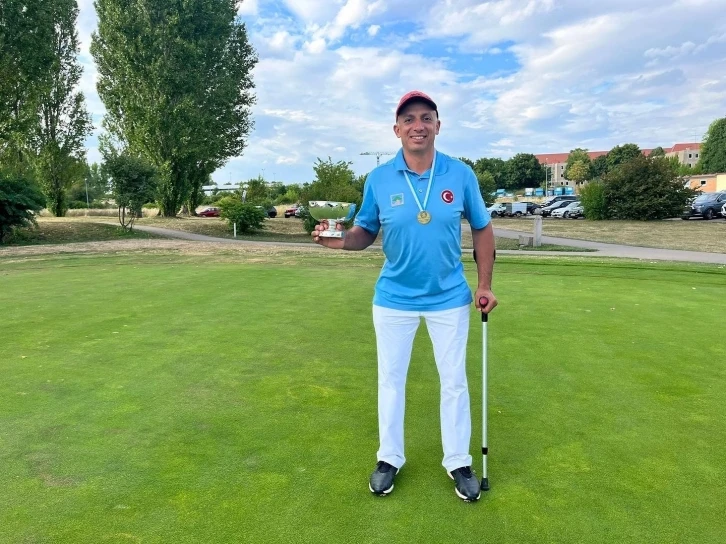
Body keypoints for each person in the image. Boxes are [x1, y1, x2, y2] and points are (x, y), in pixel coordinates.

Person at [312, 90, 497, 502]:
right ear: (396, 129)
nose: (418, 126)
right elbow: (365, 231)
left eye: (426, 118)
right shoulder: (379, 179)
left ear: (438, 126)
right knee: (391, 381)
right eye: (409, 119)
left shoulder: (460, 173)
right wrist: (339, 240)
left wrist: (484, 285)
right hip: (394, 298)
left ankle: (458, 461)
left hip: (449, 297)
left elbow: (482, 228)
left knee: (454, 382)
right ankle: (389, 457)